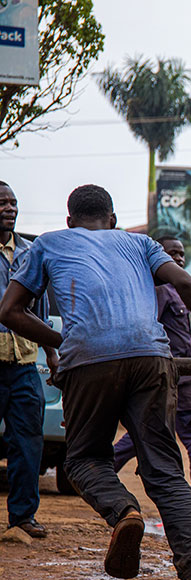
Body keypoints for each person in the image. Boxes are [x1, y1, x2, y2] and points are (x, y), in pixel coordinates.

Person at [0, 184, 191, 580]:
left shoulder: (47, 244)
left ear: (69, 221)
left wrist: (62, 341)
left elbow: (10, 311)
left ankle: (124, 512)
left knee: (84, 460)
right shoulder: (140, 243)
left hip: (88, 362)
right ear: (113, 220)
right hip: (151, 357)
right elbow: (187, 284)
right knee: (165, 471)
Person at [110, 236, 191, 516]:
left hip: (173, 373)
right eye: (172, 253)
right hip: (176, 375)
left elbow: (175, 332)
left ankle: (99, 472)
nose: (178, 259)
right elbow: (150, 328)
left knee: (147, 430)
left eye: (181, 254)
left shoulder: (170, 290)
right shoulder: (160, 290)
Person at [0, 181, 52, 539]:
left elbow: (42, 312)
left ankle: (22, 517)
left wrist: (53, 352)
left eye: (13, 203)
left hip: (24, 365)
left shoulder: (30, 253)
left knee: (28, 440)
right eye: (2, 202)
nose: (9, 208)